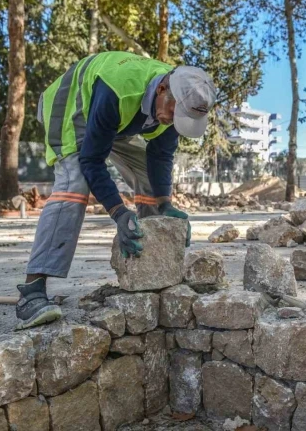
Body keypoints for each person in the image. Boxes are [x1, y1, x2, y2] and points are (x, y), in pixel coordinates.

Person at [16, 51, 217, 330]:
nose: (174, 120)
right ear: (161, 89)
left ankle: (148, 264)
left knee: (148, 174)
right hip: (71, 106)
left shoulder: (176, 101)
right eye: (173, 113)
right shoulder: (118, 90)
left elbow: (159, 157)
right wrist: (118, 212)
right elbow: (92, 160)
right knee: (74, 186)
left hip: (116, 118)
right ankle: (32, 291)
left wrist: (164, 205)